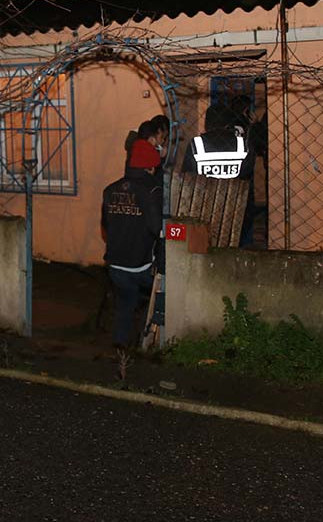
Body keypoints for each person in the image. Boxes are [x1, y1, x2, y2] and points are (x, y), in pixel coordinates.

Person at [102, 123, 165, 350]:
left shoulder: (110, 190)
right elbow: (157, 228)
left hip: (116, 265)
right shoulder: (152, 190)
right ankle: (150, 342)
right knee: (165, 298)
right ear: (150, 167)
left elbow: (105, 226)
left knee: (125, 304)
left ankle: (120, 346)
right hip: (142, 266)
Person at [180, 102, 256, 245]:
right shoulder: (243, 144)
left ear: (207, 123)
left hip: (202, 213)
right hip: (236, 216)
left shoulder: (196, 144)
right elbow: (247, 177)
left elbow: (187, 177)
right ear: (229, 122)